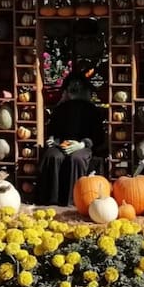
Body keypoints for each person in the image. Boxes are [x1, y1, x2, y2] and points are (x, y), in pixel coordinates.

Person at [36, 70, 107, 206]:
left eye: (78, 86)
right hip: (62, 144)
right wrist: (53, 140)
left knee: (77, 158)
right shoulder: (60, 109)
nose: (75, 89)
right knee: (52, 156)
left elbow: (97, 136)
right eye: (72, 86)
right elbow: (54, 129)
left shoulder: (93, 111)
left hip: (83, 146)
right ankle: (52, 200)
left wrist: (82, 144)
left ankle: (74, 200)